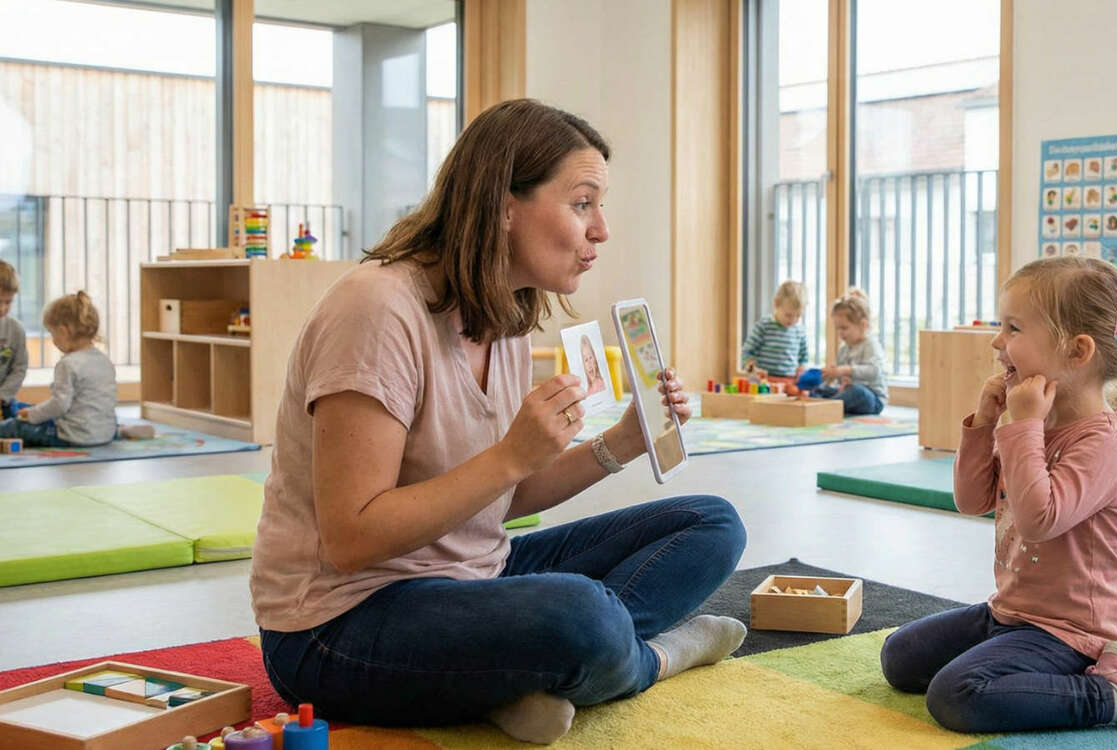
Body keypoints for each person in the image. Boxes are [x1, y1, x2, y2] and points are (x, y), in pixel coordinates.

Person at [250, 99, 747, 746]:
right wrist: (513, 454)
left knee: (710, 523)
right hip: (337, 625)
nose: (601, 230)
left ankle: (521, 675)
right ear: (504, 205)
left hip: (473, 576)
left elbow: (496, 503)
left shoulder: (504, 312)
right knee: (580, 613)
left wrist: (619, 443)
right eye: (581, 203)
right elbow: (352, 537)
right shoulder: (376, 311)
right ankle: (648, 658)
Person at [880, 256, 1117, 733]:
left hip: (1073, 634)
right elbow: (971, 500)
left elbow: (1040, 518)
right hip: (1010, 613)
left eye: (1013, 328)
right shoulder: (1028, 429)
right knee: (901, 658)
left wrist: (1024, 426)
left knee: (957, 696)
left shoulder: (1103, 443)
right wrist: (986, 424)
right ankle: (1024, 671)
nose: (997, 341)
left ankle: (1116, 693)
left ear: (1077, 352)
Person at [0, 291, 152, 446]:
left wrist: (31, 416)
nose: (53, 341)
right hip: (104, 432)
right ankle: (120, 431)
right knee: (33, 409)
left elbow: (59, 405)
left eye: (53, 335)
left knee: (16, 426)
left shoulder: (67, 364)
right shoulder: (104, 360)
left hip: (73, 436)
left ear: (64, 332)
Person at [813, 288, 887, 415]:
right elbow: (842, 379)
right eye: (838, 328)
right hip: (848, 393)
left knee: (858, 393)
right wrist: (834, 376)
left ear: (863, 325)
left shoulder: (870, 345)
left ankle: (827, 407)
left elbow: (875, 371)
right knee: (818, 390)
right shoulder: (844, 348)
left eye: (844, 328)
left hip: (871, 398)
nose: (840, 333)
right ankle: (829, 404)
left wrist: (847, 370)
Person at [741, 280, 808, 380]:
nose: (793, 320)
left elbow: (803, 356)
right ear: (776, 304)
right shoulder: (764, 326)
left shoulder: (799, 331)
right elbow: (747, 352)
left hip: (789, 379)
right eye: (788, 315)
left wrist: (802, 368)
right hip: (765, 379)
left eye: (798, 316)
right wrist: (752, 367)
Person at [0, 261, 26, 420]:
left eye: (8, 302)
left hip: (4, 400)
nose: (2, 308)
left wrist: (3, 396)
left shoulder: (16, 330)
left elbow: (19, 368)